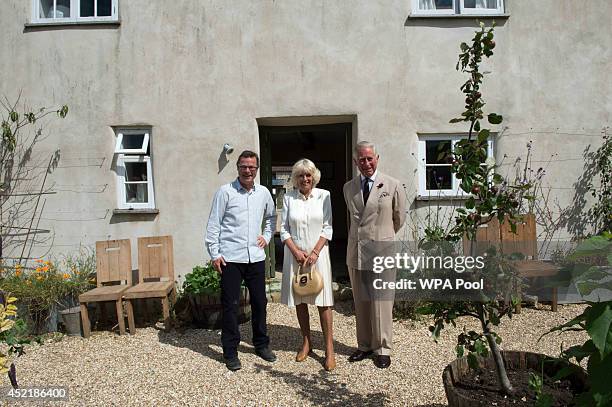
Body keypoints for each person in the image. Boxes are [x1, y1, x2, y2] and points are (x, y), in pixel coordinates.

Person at [205, 150, 277, 371]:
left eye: (252, 167)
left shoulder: (263, 193)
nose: (248, 171)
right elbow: (213, 224)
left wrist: (266, 236)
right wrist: (215, 254)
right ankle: (230, 351)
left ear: (256, 169)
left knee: (259, 303)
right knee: (231, 306)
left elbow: (271, 217)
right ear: (238, 168)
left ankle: (261, 344)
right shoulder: (225, 192)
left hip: (255, 257)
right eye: (244, 166)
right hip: (231, 258)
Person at [343, 141, 406, 369]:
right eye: (362, 159)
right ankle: (365, 344)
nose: (366, 163)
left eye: (370, 158)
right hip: (357, 250)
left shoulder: (392, 184)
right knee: (361, 301)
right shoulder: (348, 188)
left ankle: (382, 348)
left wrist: (382, 236)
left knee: (382, 300)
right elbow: (353, 219)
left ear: (377, 158)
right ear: (355, 162)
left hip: (381, 249)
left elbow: (399, 218)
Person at [279, 159, 336, 371]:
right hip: (295, 256)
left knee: (324, 301)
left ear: (314, 177)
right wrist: (295, 251)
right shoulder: (288, 198)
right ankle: (307, 342)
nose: (305, 179)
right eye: (301, 175)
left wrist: (314, 252)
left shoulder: (324, 196)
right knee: (300, 298)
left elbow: (328, 227)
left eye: (308, 175)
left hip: (318, 256)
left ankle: (329, 349)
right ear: (296, 178)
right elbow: (284, 229)